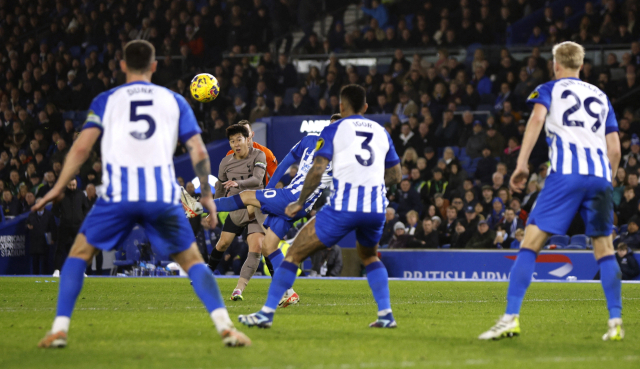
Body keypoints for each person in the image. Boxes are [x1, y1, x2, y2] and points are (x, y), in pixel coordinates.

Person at [35, 40, 250, 348]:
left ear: (122, 65)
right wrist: (205, 193)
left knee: (78, 256)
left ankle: (58, 329)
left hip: (118, 194)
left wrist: (57, 187)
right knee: (192, 261)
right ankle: (225, 326)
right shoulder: (174, 100)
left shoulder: (106, 99)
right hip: (160, 193)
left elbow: (82, 147)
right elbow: (198, 150)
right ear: (154, 66)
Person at [479, 42, 623, 341]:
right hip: (599, 176)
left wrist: (521, 164)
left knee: (530, 244)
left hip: (566, 175)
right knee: (605, 251)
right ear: (581, 65)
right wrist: (606, 180)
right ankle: (615, 321)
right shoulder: (600, 95)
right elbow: (615, 149)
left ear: (556, 64)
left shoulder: (549, 88)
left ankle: (510, 317)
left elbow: (536, 119)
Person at [238, 84, 402, 328]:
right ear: (366, 107)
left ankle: (266, 313)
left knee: (293, 254)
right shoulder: (381, 131)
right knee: (368, 255)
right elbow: (396, 176)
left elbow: (317, 170)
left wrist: (300, 202)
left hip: (344, 207)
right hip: (376, 207)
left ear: (341, 107)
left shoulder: (335, 129)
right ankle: (386, 314)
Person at [208, 114, 342, 306]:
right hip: (290, 198)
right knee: (268, 246)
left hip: (295, 198)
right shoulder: (310, 140)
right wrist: (270, 190)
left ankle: (199, 207)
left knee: (247, 196)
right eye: (332, 126)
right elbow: (286, 163)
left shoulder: (343, 155)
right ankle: (289, 292)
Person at [210, 124, 267, 302]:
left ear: (247, 140)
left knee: (257, 247)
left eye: (239, 140)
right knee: (222, 244)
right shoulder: (225, 162)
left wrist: (238, 184)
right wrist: (213, 208)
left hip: (256, 208)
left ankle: (238, 289)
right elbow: (219, 188)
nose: (236, 144)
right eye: (232, 141)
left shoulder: (259, 154)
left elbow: (258, 179)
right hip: (236, 209)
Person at [51, 179, 90, 274]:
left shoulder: (81, 194)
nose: (72, 187)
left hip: (78, 226)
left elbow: (86, 209)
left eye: (74, 185)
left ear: (76, 184)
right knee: (60, 249)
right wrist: (62, 216)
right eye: (70, 185)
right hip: (64, 226)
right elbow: (54, 209)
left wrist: (81, 217)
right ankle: (57, 270)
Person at [27, 205, 56, 275]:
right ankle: (34, 277)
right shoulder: (31, 215)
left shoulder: (49, 215)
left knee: (45, 262)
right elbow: (27, 224)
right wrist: (28, 226)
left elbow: (53, 227)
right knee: (35, 263)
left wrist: (53, 238)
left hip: (44, 242)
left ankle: (45, 276)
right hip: (34, 243)